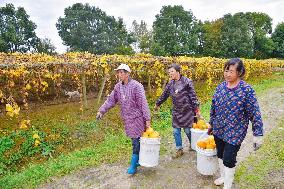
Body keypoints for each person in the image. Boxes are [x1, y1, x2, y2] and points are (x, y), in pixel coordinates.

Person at [209, 58, 264, 189]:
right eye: (226, 70)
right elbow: (213, 107)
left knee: (228, 159)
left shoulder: (246, 90)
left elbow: (255, 113)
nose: (227, 74)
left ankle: (227, 186)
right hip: (219, 129)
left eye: (231, 71)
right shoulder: (221, 87)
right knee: (221, 155)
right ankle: (223, 177)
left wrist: (258, 134)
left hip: (235, 132)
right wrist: (211, 123)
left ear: (239, 72)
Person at [96, 63, 151, 175]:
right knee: (136, 140)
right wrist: (101, 110)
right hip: (127, 119)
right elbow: (111, 100)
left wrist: (147, 118)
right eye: (118, 72)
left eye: (121, 72)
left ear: (127, 74)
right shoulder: (118, 87)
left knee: (136, 141)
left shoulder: (136, 86)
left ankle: (133, 165)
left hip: (137, 119)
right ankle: (140, 159)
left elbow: (143, 103)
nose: (119, 74)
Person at [155, 64, 200, 158]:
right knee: (176, 131)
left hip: (187, 110)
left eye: (172, 71)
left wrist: (196, 109)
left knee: (188, 131)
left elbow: (193, 96)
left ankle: (193, 145)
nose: (170, 73)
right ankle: (179, 149)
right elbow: (164, 95)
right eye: (169, 72)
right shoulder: (170, 84)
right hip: (176, 110)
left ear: (178, 72)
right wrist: (158, 103)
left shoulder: (187, 81)